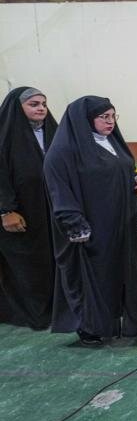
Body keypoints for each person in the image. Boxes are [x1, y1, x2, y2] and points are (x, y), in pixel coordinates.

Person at [44, 96, 137, 345]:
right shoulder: (63, 152)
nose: (110, 122)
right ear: (85, 119)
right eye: (104, 117)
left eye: (113, 116)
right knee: (98, 276)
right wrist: (74, 223)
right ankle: (93, 325)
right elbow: (60, 191)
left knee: (132, 269)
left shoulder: (111, 141)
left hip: (123, 221)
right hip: (94, 227)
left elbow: (118, 170)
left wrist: (136, 178)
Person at [0, 87, 58, 329]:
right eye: (33, 104)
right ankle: (30, 312)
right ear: (18, 107)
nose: (41, 108)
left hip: (50, 212)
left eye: (43, 103)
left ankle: (56, 309)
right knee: (26, 265)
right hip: (20, 214)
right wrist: (5, 210)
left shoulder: (53, 133)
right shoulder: (5, 136)